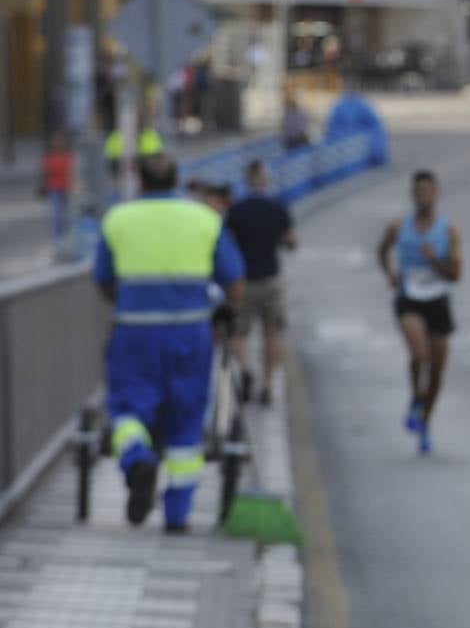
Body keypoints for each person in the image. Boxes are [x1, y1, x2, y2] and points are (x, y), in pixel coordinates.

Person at [93, 153, 245, 532]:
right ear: (178, 179)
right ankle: (177, 515)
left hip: (135, 333)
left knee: (128, 407)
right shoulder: (205, 219)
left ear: (139, 181)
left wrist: (126, 302)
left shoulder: (118, 219)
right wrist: (227, 309)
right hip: (190, 334)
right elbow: (234, 281)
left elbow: (103, 278)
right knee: (186, 418)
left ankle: (135, 457)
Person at [377, 170, 462, 455]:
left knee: (437, 371)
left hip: (438, 299)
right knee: (419, 353)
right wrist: (389, 273)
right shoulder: (398, 227)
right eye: (418, 191)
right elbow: (381, 250)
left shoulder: (448, 231)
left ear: (436, 194)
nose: (423, 196)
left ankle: (425, 422)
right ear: (412, 195)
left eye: (428, 190)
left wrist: (434, 260)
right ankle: (415, 397)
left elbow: (456, 274)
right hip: (409, 298)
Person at [225, 160, 297, 405]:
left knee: (239, 333)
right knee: (272, 335)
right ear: (265, 180)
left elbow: (228, 244)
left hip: (243, 281)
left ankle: (245, 369)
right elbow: (291, 242)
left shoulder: (236, 211)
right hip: (271, 279)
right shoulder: (278, 209)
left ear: (246, 181)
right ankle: (267, 385)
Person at [39, 132, 73, 258]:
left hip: (65, 188)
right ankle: (56, 240)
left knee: (66, 214)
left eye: (60, 142)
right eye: (56, 142)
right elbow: (44, 173)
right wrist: (44, 186)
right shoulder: (49, 157)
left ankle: (65, 238)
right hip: (54, 188)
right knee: (55, 215)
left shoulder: (67, 156)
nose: (58, 144)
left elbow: (72, 172)